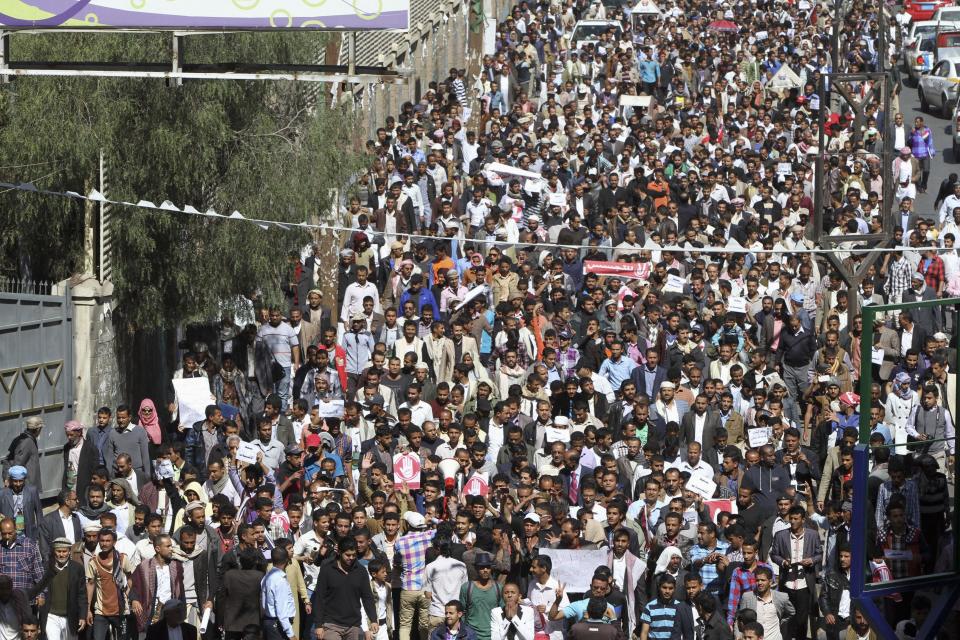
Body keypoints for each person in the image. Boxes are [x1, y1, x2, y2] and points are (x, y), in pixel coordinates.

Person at [311, 538, 378, 640]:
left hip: (353, 625)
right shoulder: (327, 569)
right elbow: (320, 597)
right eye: (347, 555)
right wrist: (318, 625)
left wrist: (373, 619)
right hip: (330, 623)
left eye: (354, 555)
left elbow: (367, 597)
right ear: (339, 552)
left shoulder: (361, 571)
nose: (351, 558)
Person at [84, 527, 137, 640]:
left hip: (121, 610)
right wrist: (88, 610)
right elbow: (90, 585)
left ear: (114, 542)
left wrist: (129, 595)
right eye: (102, 541)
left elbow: (131, 578)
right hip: (101, 611)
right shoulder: (93, 561)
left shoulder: (123, 559)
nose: (104, 543)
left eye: (108, 541)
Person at [35, 538, 87, 640]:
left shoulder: (77, 569)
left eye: (64, 551)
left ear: (69, 551)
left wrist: (82, 615)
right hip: (51, 616)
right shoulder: (46, 567)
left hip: (71, 616)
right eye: (59, 551)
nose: (61, 554)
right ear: (54, 551)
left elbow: (82, 594)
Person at [737, 567, 794, 640]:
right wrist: (739, 635)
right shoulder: (747, 597)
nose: (759, 583)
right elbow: (739, 619)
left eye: (763, 580)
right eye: (757, 580)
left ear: (770, 582)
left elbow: (791, 612)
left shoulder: (781, 597)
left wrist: (780, 623)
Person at [261, 547, 297, 640]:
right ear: (286, 560)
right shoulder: (280, 581)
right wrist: (291, 634)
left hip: (269, 622)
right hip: (277, 625)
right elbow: (281, 611)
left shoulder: (266, 576)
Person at [0, 467, 42, 540]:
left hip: (28, 531)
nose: (18, 484)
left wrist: (40, 530)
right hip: (9, 532)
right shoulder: (2, 493)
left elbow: (38, 512)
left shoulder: (32, 491)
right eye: (15, 481)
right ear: (10, 480)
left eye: (21, 481)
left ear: (24, 480)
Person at [6, 417, 42, 492]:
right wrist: (10, 479)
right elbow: (18, 463)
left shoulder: (27, 439)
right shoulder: (26, 442)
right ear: (38, 429)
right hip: (26, 484)